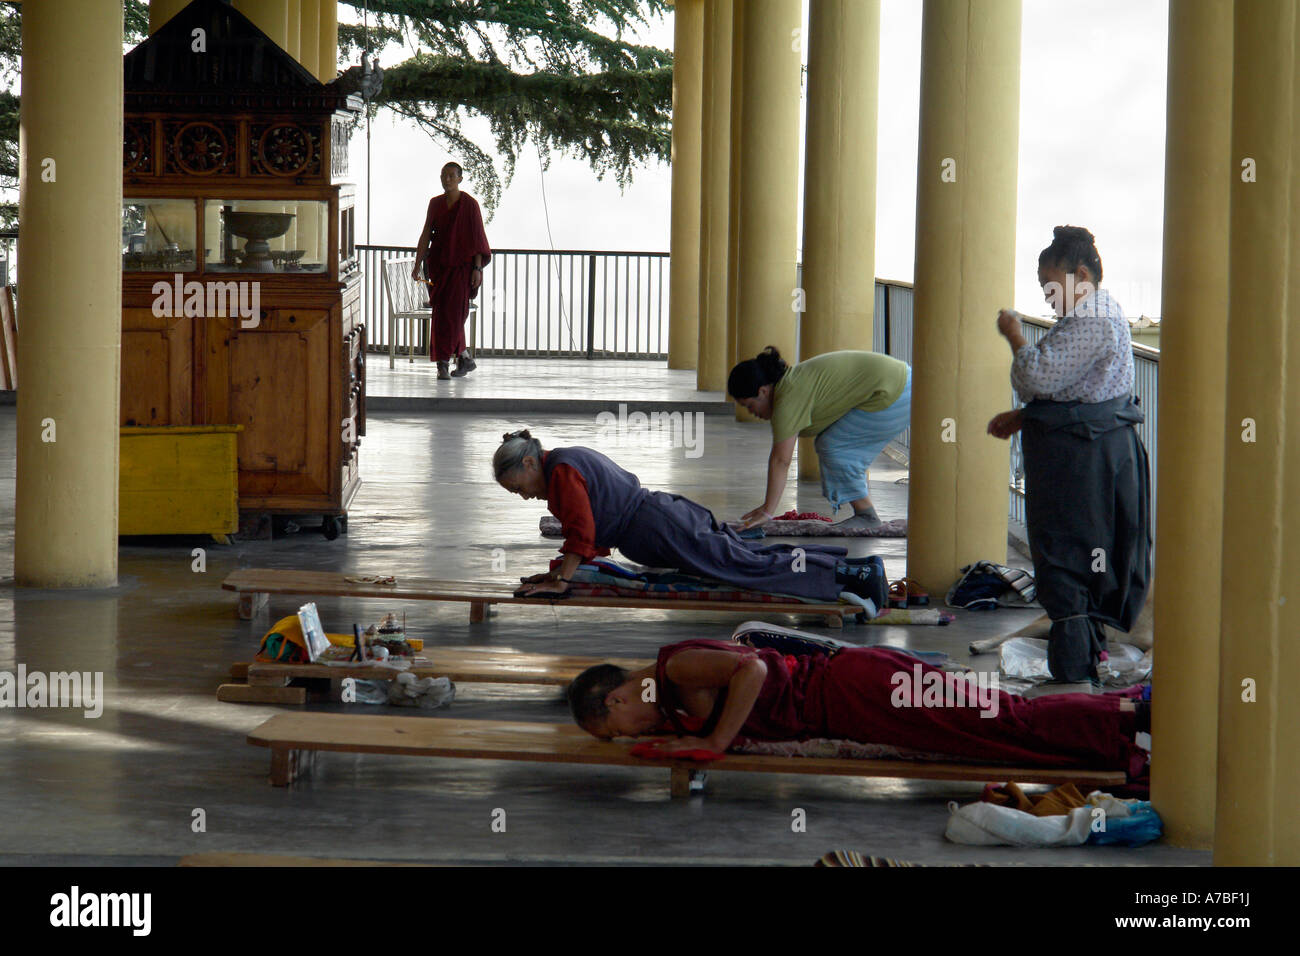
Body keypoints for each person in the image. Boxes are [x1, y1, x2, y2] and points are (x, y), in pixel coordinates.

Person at [568, 637, 1149, 775]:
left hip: (859, 687)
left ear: (617, 696)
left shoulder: (672, 670)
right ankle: (1122, 726)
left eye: (614, 729)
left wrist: (715, 742)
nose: (626, 737)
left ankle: (1133, 715)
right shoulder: (665, 696)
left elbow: (755, 668)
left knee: (1007, 719)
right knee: (993, 728)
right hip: (860, 701)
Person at [987, 226, 1151, 683]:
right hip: (1094, 454)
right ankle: (1086, 661)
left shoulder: (1093, 318)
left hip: (1083, 463)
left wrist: (1015, 335)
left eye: (1050, 284)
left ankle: (1073, 680)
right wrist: (1024, 419)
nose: (1046, 297)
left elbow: (1036, 377)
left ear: (1081, 274)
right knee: (1087, 559)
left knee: (1067, 560)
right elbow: (1079, 391)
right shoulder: (1098, 311)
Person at [492, 429, 888, 610]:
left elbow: (582, 531)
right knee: (741, 558)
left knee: (743, 567)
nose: (524, 496)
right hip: (666, 517)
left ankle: (850, 578)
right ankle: (852, 567)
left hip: (661, 527)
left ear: (529, 462)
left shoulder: (562, 471)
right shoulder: (566, 459)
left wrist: (561, 580)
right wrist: (559, 572)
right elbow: (586, 535)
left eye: (518, 487)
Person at [727, 347, 911, 530]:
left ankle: (866, 516)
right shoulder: (792, 383)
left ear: (763, 392)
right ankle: (865, 513)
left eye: (749, 405)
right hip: (899, 383)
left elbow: (781, 460)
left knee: (834, 447)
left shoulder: (788, 398)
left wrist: (767, 511)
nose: (752, 413)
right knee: (832, 444)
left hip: (895, 391)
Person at [411, 161, 492, 380]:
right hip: (438, 266)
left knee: (454, 315)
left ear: (460, 179)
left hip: (462, 268)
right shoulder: (435, 204)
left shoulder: (470, 205)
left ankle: (444, 362)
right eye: (443, 176)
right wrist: (417, 263)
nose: (446, 180)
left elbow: (477, 240)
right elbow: (426, 233)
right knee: (441, 314)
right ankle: (463, 357)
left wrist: (477, 268)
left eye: (451, 176)